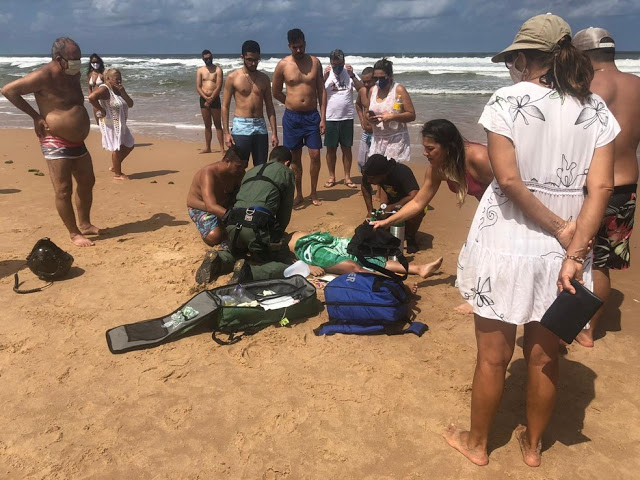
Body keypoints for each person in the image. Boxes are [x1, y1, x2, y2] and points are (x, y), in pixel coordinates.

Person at [445, 14, 618, 468]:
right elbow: (600, 189)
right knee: (544, 358)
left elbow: (508, 180)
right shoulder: (595, 107)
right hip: (565, 252)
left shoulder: (506, 100)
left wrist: (559, 228)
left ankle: (478, 444)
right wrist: (574, 244)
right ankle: (534, 447)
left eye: (513, 62)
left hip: (507, 238)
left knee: (492, 357)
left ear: (523, 59)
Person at [572, 28, 640, 347]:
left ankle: (567, 322)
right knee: (603, 261)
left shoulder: (588, 86)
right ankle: (589, 330)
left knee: (575, 254)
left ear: (583, 56)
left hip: (592, 186)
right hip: (627, 185)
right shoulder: (637, 85)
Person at [1, 37, 101, 247]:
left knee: (87, 181)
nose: (77, 62)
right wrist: (35, 116)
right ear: (59, 58)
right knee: (63, 189)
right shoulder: (43, 76)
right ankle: (74, 234)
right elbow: (8, 90)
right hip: (55, 139)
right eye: (73, 58)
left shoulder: (72, 73)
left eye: (79, 58)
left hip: (77, 142)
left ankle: (85, 223)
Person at [372, 119, 493, 287]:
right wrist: (387, 221)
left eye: (430, 149)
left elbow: (510, 187)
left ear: (449, 147)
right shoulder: (437, 169)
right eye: (424, 148)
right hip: (488, 209)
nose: (425, 153)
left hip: (507, 205)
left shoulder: (478, 158)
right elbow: (418, 203)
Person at [195, 146, 296, 284]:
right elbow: (285, 212)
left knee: (237, 252)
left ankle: (219, 259)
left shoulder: (252, 171)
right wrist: (277, 236)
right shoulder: (286, 172)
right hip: (256, 227)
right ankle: (250, 273)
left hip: (232, 224)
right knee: (284, 263)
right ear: (287, 163)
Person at [272, 28, 326, 206]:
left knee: (315, 154)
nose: (298, 50)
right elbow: (275, 91)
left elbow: (321, 91)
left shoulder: (315, 62)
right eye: (295, 47)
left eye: (301, 46)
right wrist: (290, 102)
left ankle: (314, 192)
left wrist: (323, 117)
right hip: (292, 117)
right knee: (294, 157)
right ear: (289, 46)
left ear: (305, 44)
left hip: (312, 116)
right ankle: (299, 193)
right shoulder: (283, 65)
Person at [287, 230, 442, 278]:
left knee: (364, 255)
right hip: (311, 251)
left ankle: (418, 269)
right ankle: (392, 281)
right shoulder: (277, 243)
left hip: (326, 241)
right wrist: (308, 265)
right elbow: (279, 259)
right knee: (353, 266)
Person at [222, 40, 278, 167]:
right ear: (242, 57)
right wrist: (226, 133)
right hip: (241, 125)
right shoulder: (233, 77)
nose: (253, 63)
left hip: (260, 126)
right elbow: (225, 106)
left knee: (261, 166)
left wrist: (274, 132)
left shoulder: (264, 79)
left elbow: (269, 106)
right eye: (250, 59)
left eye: (256, 60)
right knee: (239, 166)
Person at [361, 154, 423, 253]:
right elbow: (365, 186)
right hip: (391, 203)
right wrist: (370, 210)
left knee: (419, 211)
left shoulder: (402, 172)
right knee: (374, 229)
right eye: (368, 177)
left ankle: (411, 238)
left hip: (409, 202)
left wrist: (392, 206)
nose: (369, 180)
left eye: (372, 178)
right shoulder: (370, 172)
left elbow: (415, 195)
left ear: (383, 174)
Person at [186, 147, 246, 247]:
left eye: (243, 166)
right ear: (227, 162)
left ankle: (223, 223)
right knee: (215, 237)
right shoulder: (208, 173)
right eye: (238, 166)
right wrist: (236, 218)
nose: (241, 170)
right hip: (202, 207)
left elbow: (245, 195)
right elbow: (210, 206)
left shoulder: (238, 173)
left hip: (225, 203)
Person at [323, 49, 363, 189]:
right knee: (331, 149)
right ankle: (331, 176)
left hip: (347, 117)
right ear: (331, 63)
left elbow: (361, 90)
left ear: (344, 62)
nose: (338, 68)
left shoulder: (349, 73)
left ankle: (347, 176)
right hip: (330, 117)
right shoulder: (327, 74)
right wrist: (323, 77)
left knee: (347, 148)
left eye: (340, 65)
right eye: (335, 65)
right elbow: (317, 93)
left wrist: (352, 75)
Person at [362, 58, 415, 162]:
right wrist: (369, 117)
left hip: (396, 139)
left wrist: (392, 117)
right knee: (376, 171)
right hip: (378, 139)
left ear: (390, 76)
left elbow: (412, 115)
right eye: (376, 78)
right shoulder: (373, 90)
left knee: (390, 171)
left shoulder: (398, 89)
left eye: (382, 78)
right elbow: (367, 112)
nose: (378, 81)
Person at [88, 68, 135, 180]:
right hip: (111, 124)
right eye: (116, 78)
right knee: (117, 148)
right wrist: (101, 110)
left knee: (129, 144)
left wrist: (123, 92)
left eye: (120, 78)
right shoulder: (104, 89)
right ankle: (118, 174)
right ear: (108, 79)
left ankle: (115, 166)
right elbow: (91, 97)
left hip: (120, 123)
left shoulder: (118, 89)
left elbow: (130, 104)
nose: (119, 80)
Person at [196, 49, 225, 154]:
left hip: (215, 99)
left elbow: (218, 86)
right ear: (203, 59)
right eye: (206, 58)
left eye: (210, 58)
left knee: (218, 124)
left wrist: (211, 98)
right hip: (203, 98)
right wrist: (206, 98)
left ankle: (222, 148)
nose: (208, 60)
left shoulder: (218, 70)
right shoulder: (200, 71)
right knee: (207, 125)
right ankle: (208, 147)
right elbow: (198, 87)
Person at [355, 67, 375, 173]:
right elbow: (358, 104)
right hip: (366, 132)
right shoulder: (362, 91)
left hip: (377, 134)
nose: (366, 84)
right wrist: (361, 119)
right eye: (364, 82)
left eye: (369, 81)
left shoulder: (379, 92)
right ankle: (366, 185)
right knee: (362, 162)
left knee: (376, 163)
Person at [86, 53, 105, 124]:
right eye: (93, 62)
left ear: (100, 62)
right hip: (95, 100)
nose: (95, 64)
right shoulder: (90, 74)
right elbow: (89, 87)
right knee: (98, 120)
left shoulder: (104, 73)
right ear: (90, 63)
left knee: (105, 119)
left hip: (103, 99)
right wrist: (90, 97)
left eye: (97, 62)